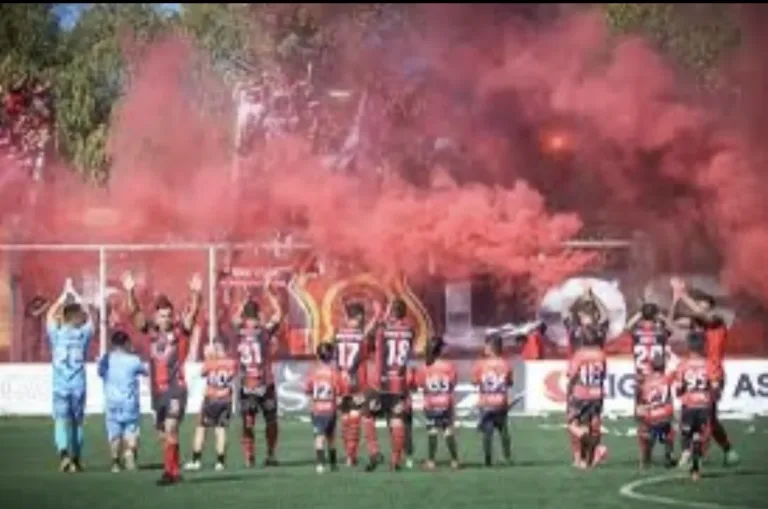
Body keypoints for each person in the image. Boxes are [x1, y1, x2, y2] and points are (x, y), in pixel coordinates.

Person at [123, 272, 202, 486]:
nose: (166, 319)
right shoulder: (150, 332)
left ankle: (170, 473)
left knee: (170, 429)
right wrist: (129, 290)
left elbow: (193, 314)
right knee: (162, 434)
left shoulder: (179, 333)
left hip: (176, 389)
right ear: (156, 316)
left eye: (169, 315)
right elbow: (135, 313)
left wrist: (196, 293)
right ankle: (174, 470)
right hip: (158, 392)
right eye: (162, 315)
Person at [670, 278, 739, 467]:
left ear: (711, 307)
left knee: (708, 415)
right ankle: (705, 451)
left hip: (713, 374)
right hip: (694, 372)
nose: (698, 309)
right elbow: (673, 318)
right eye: (698, 305)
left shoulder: (716, 321)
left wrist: (683, 294)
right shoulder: (696, 324)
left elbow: (701, 314)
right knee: (692, 414)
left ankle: (709, 451)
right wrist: (676, 298)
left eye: (703, 305)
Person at [47, 278, 94, 473]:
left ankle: (64, 454)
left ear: (63, 317)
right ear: (77, 318)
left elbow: (49, 316)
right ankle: (76, 458)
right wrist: (76, 295)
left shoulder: (56, 335)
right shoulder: (82, 335)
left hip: (60, 386)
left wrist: (62, 295)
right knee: (77, 422)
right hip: (78, 386)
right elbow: (91, 318)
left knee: (60, 420)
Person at [363, 298, 415, 471]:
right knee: (396, 420)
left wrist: (379, 314)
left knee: (367, 416)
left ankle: (374, 451)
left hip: (380, 382)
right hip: (399, 383)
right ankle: (395, 460)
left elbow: (366, 336)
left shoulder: (382, 330)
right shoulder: (410, 331)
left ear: (391, 312)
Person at [234, 295, 283, 468]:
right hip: (265, 383)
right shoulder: (263, 331)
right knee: (271, 420)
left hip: (247, 384)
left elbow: (234, 320)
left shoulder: (238, 330)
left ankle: (249, 456)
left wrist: (240, 307)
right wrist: (270, 293)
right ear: (259, 314)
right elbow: (278, 314)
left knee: (248, 421)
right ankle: (270, 454)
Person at [332, 300, 381, 467]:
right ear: (359, 317)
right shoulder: (362, 335)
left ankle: (348, 456)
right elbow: (367, 331)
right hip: (355, 380)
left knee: (345, 419)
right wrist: (377, 314)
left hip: (340, 380)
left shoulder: (337, 334)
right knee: (355, 419)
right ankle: (351, 457)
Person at [98, 330, 148, 473]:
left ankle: (115, 462)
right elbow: (145, 371)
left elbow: (100, 373)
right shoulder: (133, 360)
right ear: (127, 343)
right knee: (131, 429)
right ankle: (130, 453)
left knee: (114, 432)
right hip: (129, 401)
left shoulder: (107, 359)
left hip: (112, 401)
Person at [185, 338, 238, 471]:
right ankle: (220, 462)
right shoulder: (232, 363)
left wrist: (208, 358)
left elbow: (202, 374)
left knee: (201, 428)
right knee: (221, 430)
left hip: (211, 399)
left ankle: (196, 460)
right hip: (225, 399)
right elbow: (232, 376)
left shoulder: (210, 363)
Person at [673, 330, 717, 481]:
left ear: (689, 347)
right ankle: (696, 471)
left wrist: (682, 394)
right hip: (704, 405)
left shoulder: (682, 365)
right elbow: (715, 385)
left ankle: (685, 451)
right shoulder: (709, 364)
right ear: (703, 346)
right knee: (699, 436)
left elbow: (679, 388)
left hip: (689, 405)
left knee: (686, 433)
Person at [566, 326, 608, 469]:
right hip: (597, 393)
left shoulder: (579, 354)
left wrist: (570, 391)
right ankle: (586, 460)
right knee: (592, 425)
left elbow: (571, 374)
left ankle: (594, 449)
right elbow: (604, 374)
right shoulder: (601, 354)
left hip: (581, 393)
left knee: (573, 425)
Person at [416, 336, 459, 470]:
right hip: (446, 402)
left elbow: (420, 384)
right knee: (447, 430)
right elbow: (452, 383)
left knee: (432, 431)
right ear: (440, 350)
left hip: (431, 404)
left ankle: (431, 461)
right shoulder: (449, 366)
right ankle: (454, 460)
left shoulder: (424, 367)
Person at [304, 342, 347, 474]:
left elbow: (307, 389)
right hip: (330, 408)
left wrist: (311, 402)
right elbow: (341, 391)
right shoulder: (334, 373)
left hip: (317, 408)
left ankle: (320, 464)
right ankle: (333, 464)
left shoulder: (312, 372)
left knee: (319, 436)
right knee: (331, 437)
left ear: (318, 355)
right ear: (332, 356)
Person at [471, 334, 513, 467]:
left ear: (491, 347)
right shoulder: (506, 364)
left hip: (486, 402)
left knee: (487, 432)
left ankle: (488, 459)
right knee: (503, 430)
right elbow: (510, 382)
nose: (484, 348)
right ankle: (507, 456)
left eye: (486, 345)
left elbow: (474, 381)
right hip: (500, 402)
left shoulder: (480, 364)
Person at [635, 353, 676, 469]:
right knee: (669, 430)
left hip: (652, 416)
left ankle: (645, 459)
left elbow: (642, 401)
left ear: (651, 367)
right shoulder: (667, 379)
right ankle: (669, 454)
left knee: (645, 431)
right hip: (666, 415)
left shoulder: (646, 382)